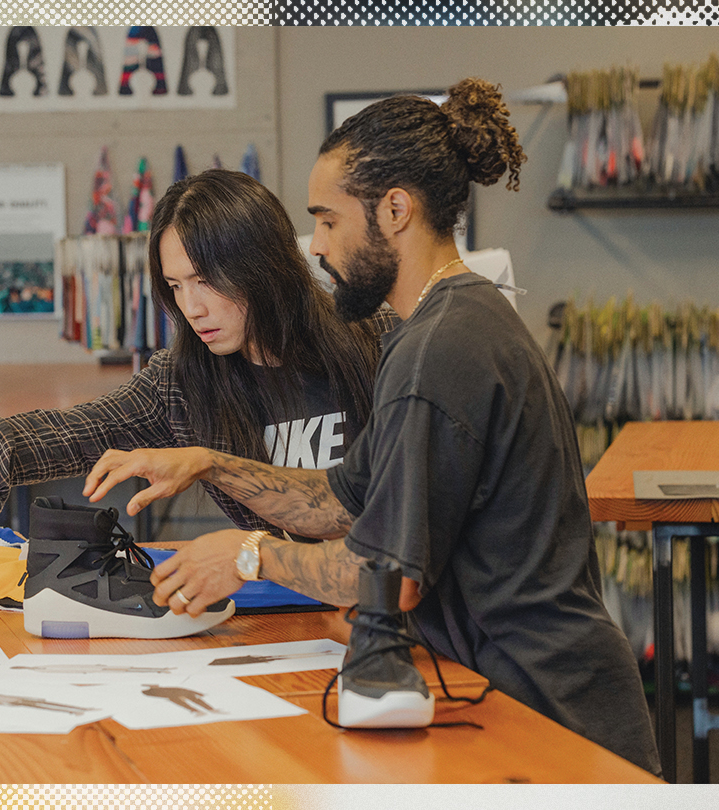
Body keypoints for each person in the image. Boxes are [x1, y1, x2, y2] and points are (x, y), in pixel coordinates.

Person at [82, 78, 661, 775]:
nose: (317, 247)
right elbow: (341, 499)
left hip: (550, 721)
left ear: (394, 210)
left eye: (327, 220)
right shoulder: (448, 322)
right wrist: (209, 462)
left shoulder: (438, 352)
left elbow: (385, 576)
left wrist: (246, 555)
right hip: (513, 696)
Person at [0, 168, 393, 565]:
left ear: (264, 266)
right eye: (176, 286)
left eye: (206, 280)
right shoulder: (183, 382)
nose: (191, 307)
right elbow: (63, 432)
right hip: (284, 614)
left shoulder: (378, 343)